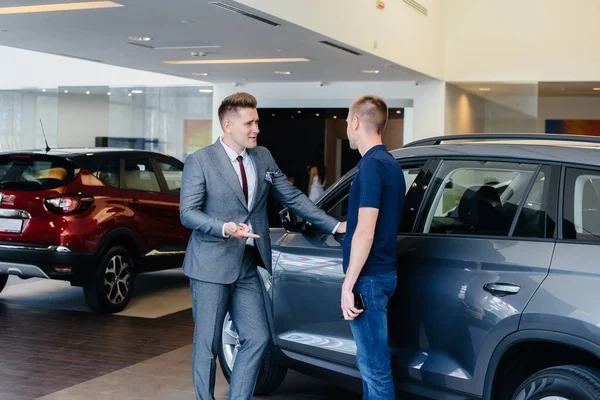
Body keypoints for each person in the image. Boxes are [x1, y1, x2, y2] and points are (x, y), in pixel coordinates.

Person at [179, 92, 346, 400]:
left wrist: (334, 225)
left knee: (257, 337)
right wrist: (225, 228)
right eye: (250, 123)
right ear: (228, 125)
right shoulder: (200, 161)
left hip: (248, 264)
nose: (257, 128)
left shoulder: (263, 156)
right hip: (211, 265)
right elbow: (187, 213)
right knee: (208, 344)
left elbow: (292, 197)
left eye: (257, 121)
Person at [340, 95, 405, 400]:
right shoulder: (391, 164)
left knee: (375, 367)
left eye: (347, 123)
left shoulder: (369, 167)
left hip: (368, 278)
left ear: (355, 122)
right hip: (385, 273)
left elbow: (365, 232)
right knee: (371, 364)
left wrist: (348, 284)